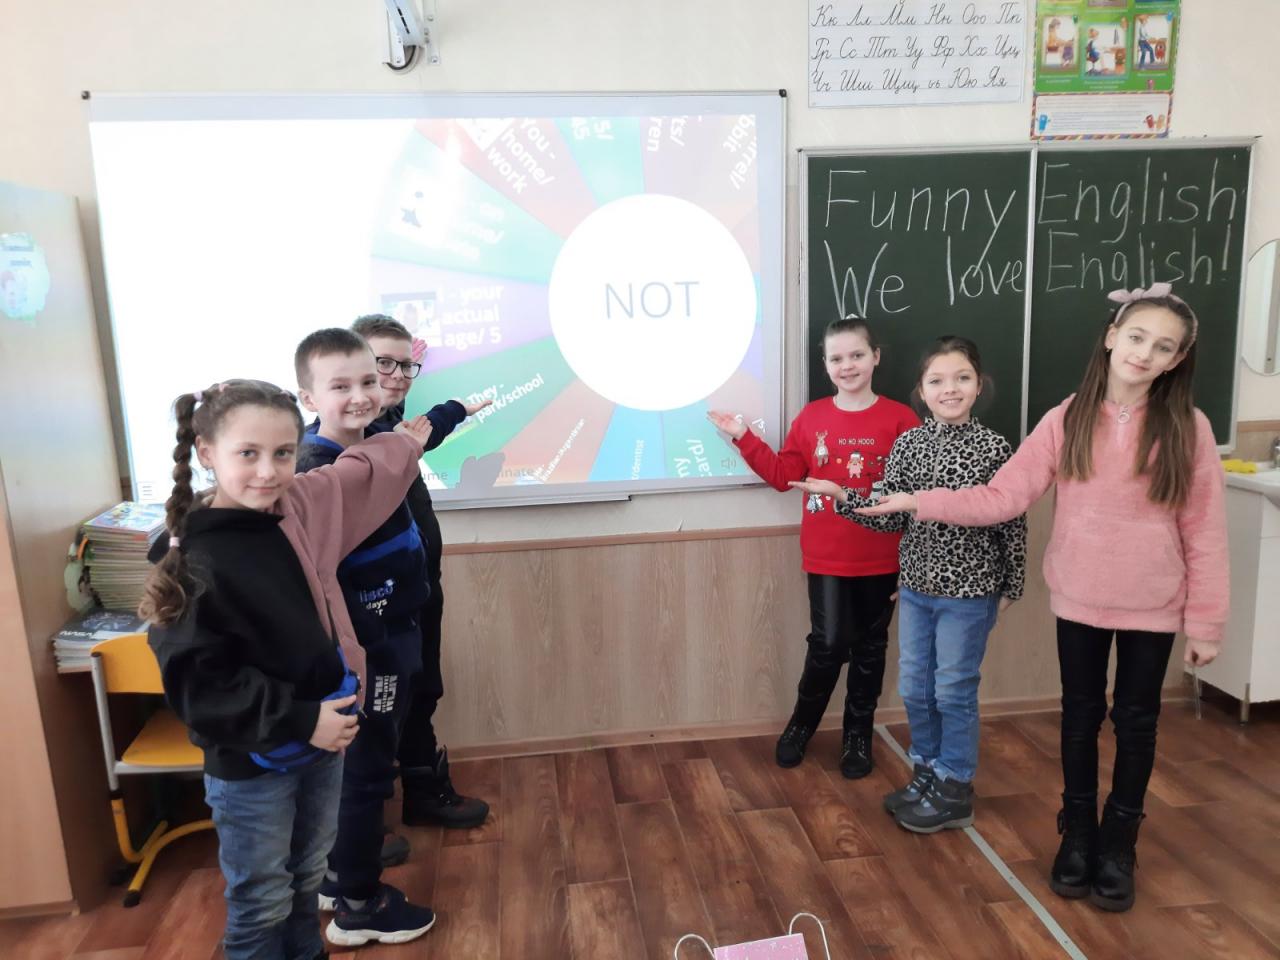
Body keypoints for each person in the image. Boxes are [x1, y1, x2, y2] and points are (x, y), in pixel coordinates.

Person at [857, 285, 1228, 912]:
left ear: (1177, 359)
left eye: (1163, 347)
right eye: (1136, 337)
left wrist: (1207, 623)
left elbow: (1205, 530)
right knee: (1079, 718)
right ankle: (1077, 832)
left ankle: (1120, 842)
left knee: (1136, 723)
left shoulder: (1189, 428)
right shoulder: (1067, 417)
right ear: (1111, 337)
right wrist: (920, 500)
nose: (1144, 353)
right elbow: (1002, 497)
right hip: (1080, 598)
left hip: (1154, 603)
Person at [142, 378, 433, 959]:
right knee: (262, 904)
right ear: (207, 453)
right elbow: (201, 688)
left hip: (320, 749)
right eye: (247, 453)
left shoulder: (284, 521)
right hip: (255, 766)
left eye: (282, 454)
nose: (268, 472)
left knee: (305, 884)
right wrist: (302, 720)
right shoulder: (194, 558)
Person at [792, 336, 1026, 833]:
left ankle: (955, 785)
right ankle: (926, 773)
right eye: (937, 380)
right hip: (916, 588)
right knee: (916, 689)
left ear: (978, 385)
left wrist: (1012, 585)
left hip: (970, 592)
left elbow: (1011, 520)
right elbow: (889, 513)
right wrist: (842, 497)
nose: (950, 389)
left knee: (953, 689)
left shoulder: (994, 447)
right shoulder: (909, 443)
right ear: (922, 390)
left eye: (961, 378)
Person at [708, 317, 919, 778]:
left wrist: (912, 564)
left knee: (871, 648)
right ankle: (801, 725)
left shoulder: (902, 419)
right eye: (837, 358)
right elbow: (784, 476)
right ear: (825, 365)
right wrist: (743, 436)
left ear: (876, 357)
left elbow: (916, 497)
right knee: (828, 643)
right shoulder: (812, 418)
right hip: (828, 557)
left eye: (857, 355)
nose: (848, 366)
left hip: (883, 558)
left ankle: (856, 734)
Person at [352, 314, 492, 830]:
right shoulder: (343, 440)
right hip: (374, 609)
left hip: (417, 592)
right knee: (375, 712)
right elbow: (403, 437)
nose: (395, 376)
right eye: (380, 365)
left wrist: (442, 403)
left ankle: (422, 793)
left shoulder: (389, 425)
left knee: (422, 689)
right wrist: (450, 407)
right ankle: (359, 836)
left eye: (404, 366)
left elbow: (412, 433)